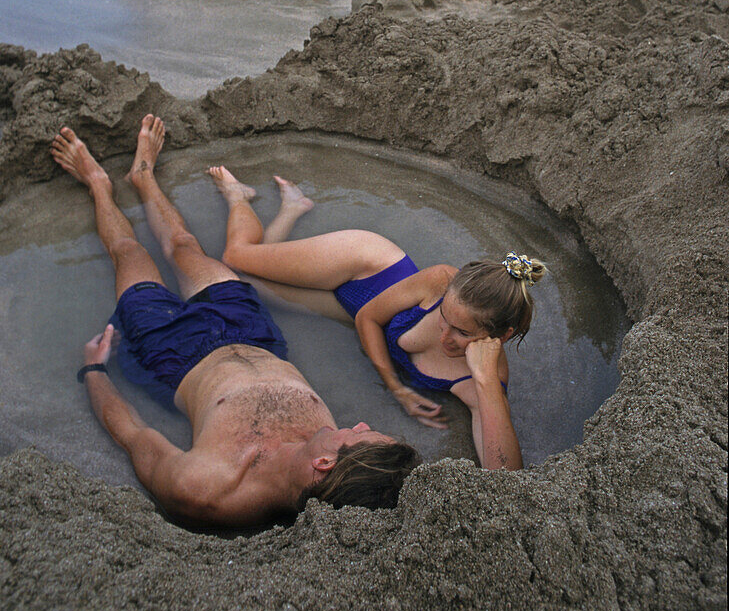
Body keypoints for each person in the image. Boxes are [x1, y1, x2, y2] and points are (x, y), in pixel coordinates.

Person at [51, 116, 421, 528]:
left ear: (322, 463)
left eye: (359, 433)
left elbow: (135, 436)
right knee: (184, 246)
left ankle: (97, 184)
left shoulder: (209, 488)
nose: (362, 422)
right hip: (252, 333)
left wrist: (93, 370)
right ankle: (143, 178)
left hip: (173, 356)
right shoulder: (349, 476)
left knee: (129, 252)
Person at [208, 166, 547, 471]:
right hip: (364, 266)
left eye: (461, 333)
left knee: (240, 284)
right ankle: (239, 196)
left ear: (500, 336)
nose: (445, 336)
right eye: (443, 317)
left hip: (350, 310)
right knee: (234, 258)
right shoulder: (439, 280)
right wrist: (395, 387)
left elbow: (504, 476)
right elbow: (368, 319)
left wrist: (487, 383)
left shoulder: (484, 379)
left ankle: (293, 208)